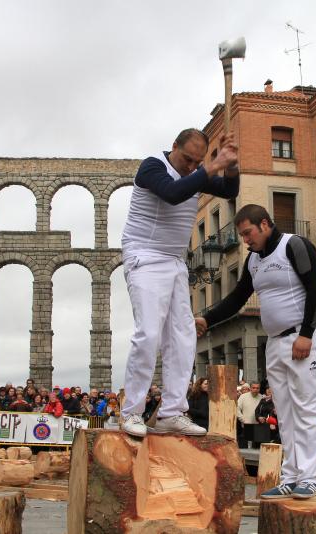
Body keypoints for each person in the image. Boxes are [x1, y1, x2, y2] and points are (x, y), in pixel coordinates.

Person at [197, 203, 316, 499]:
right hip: (275, 341)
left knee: (305, 406)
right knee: (284, 410)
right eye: (242, 235)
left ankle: (311, 476)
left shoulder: (294, 245)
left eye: (248, 233)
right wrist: (208, 318)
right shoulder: (254, 260)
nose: (245, 240)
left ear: (265, 224)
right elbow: (237, 297)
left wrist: (306, 333)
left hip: (302, 336)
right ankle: (292, 475)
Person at [119, 128, 239, 438]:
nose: (191, 166)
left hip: (174, 261)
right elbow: (173, 194)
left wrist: (231, 164)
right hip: (144, 256)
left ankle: (172, 412)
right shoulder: (152, 166)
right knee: (148, 333)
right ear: (174, 147)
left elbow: (230, 189)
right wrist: (211, 166)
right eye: (187, 159)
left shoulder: (197, 172)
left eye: (197, 161)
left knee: (183, 337)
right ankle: (131, 412)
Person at [236, 382, 263, 448]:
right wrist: (243, 419)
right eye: (253, 388)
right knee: (245, 448)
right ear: (250, 388)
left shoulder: (262, 397)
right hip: (246, 426)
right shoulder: (243, 397)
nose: (255, 389)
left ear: (259, 389)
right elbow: (236, 409)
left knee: (256, 449)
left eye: (257, 388)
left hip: (258, 427)